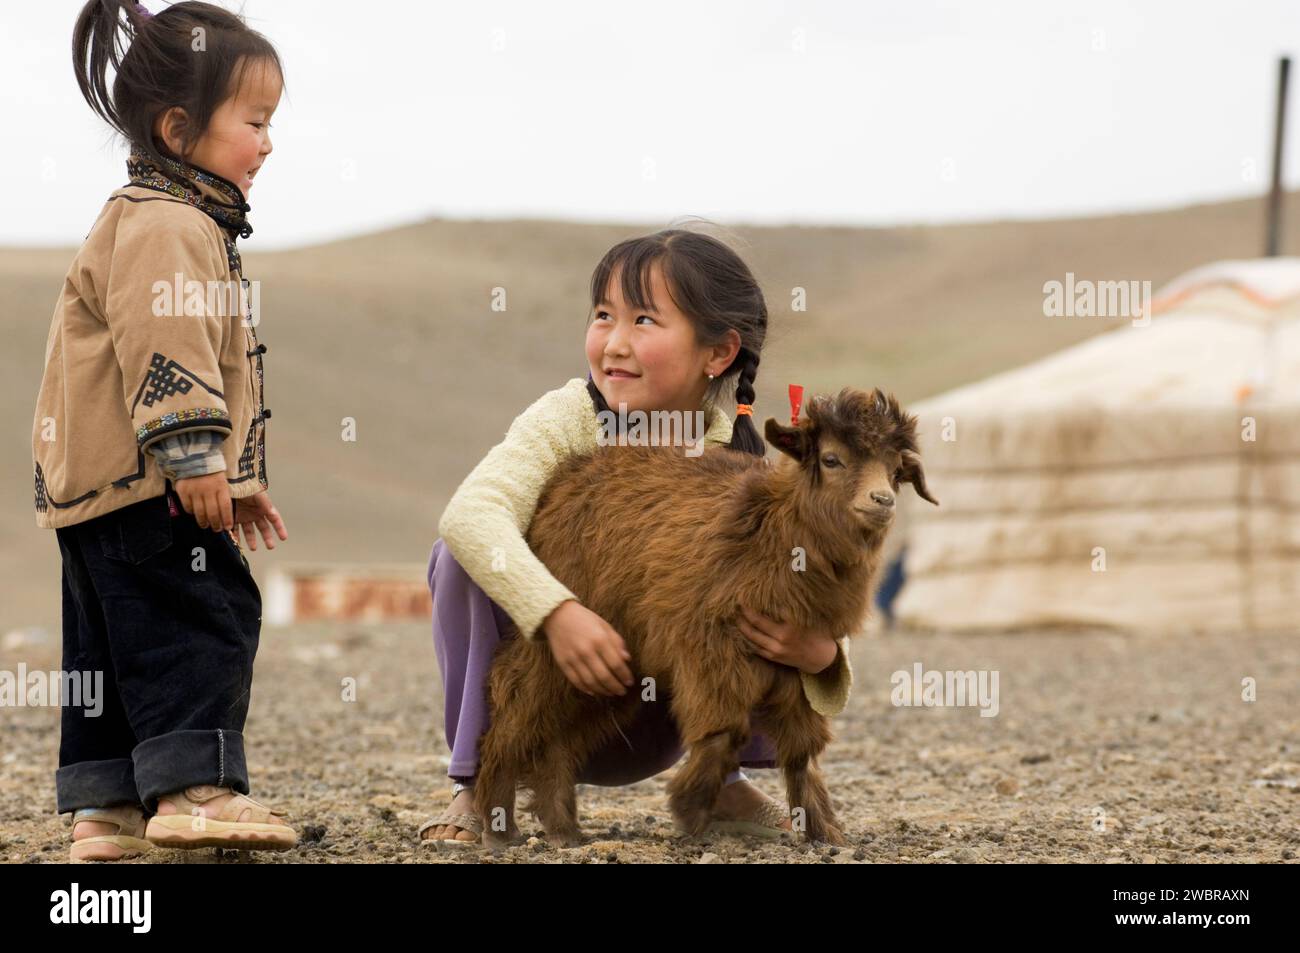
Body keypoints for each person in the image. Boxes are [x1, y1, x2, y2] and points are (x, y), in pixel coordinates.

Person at [421, 228, 854, 847]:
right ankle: (474, 782)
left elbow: (823, 599)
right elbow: (470, 515)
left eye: (644, 320)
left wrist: (821, 656)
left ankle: (726, 779)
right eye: (603, 316)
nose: (614, 343)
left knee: (764, 570)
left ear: (718, 353)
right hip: (548, 699)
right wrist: (557, 616)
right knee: (458, 558)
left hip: (664, 717)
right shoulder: (568, 419)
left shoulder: (743, 456)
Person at [33, 0, 293, 860]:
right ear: (179, 128)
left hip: (97, 490)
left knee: (108, 646)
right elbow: (168, 343)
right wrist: (194, 454)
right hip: (153, 482)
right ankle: (196, 792)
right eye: (254, 121)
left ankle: (106, 812)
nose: (267, 143)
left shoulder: (149, 218)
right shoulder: (170, 225)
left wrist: (240, 475)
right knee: (202, 620)